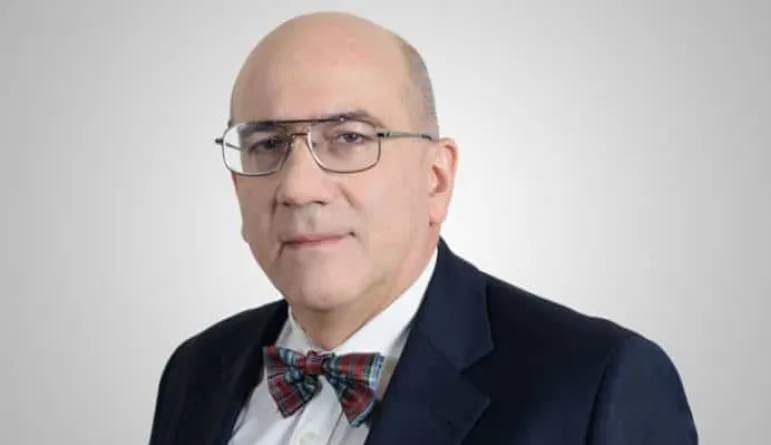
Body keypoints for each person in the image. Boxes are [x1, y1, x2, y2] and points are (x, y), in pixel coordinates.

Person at [148, 11, 698, 445]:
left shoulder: (597, 384)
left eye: (349, 138)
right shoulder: (196, 369)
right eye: (267, 144)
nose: (297, 187)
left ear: (436, 178)